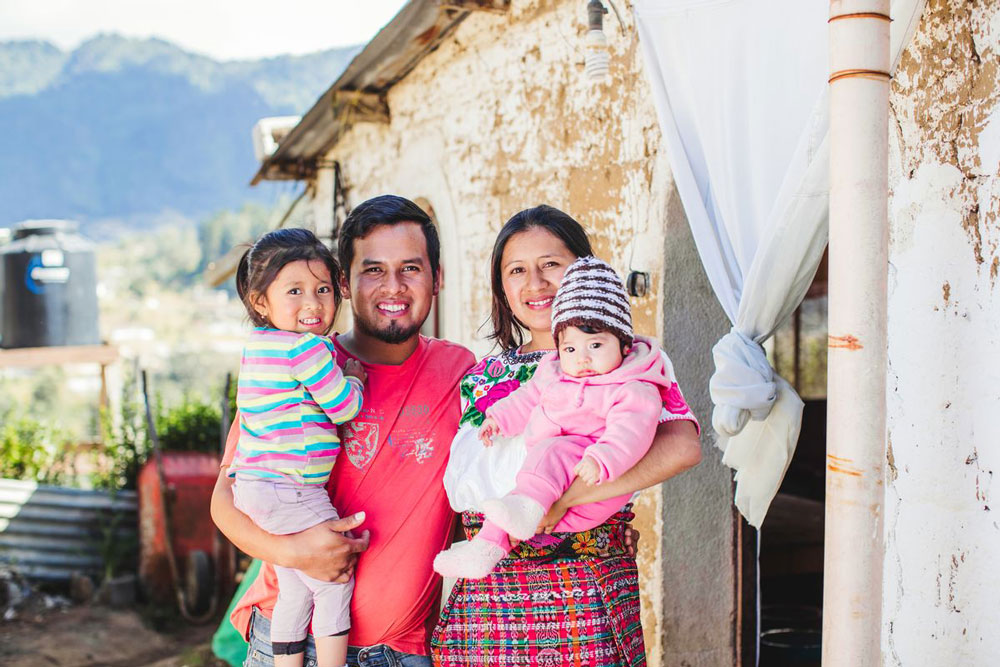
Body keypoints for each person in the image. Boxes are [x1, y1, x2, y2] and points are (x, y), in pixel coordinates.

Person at [211, 195, 476, 667]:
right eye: (372, 269)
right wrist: (293, 551)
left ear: (438, 279)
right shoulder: (290, 371)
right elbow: (224, 502)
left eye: (410, 268)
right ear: (346, 285)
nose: (392, 286)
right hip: (290, 643)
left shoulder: (460, 372)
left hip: (402, 651)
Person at [433, 205, 701, 666]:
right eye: (517, 270)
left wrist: (562, 502)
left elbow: (682, 446)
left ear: (583, 272)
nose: (535, 284)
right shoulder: (481, 378)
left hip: (584, 585)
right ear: (502, 287)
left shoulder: (629, 362)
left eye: (551, 265)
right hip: (490, 593)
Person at [433, 255, 674, 580]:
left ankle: (515, 521)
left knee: (550, 454)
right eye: (571, 349)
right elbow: (527, 399)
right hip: (543, 494)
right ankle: (484, 551)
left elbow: (630, 433)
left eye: (596, 345)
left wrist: (602, 459)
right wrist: (499, 420)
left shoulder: (632, 387)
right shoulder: (554, 371)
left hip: (592, 481)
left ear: (624, 344)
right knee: (515, 493)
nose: (583, 358)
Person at [227, 228, 366, 667]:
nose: (313, 303)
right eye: (295, 291)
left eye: (323, 289)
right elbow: (343, 408)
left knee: (294, 587)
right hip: (293, 489)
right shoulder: (305, 349)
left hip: (255, 486)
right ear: (260, 301)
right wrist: (357, 380)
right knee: (333, 578)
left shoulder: (256, 348)